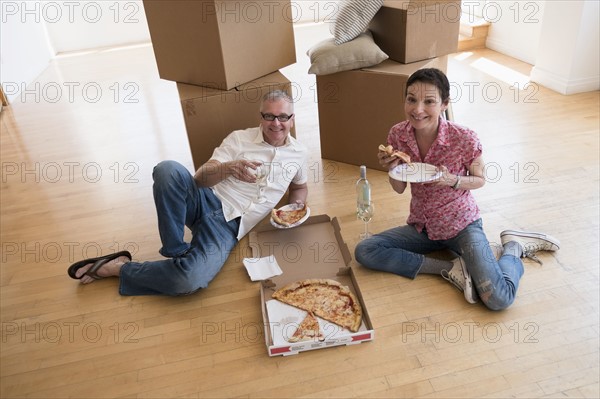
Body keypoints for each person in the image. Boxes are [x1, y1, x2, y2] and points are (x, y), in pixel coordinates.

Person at [354, 68, 559, 310]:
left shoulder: (464, 138)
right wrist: (392, 168)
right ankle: (452, 268)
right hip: (423, 227)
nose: (417, 110)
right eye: (411, 99)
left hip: (462, 226)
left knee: (498, 299)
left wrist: (452, 180)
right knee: (366, 250)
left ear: (444, 104)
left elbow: (479, 179)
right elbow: (399, 188)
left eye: (429, 101)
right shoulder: (398, 134)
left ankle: (513, 246)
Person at [68, 90, 308, 296]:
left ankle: (118, 268)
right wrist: (228, 168)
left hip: (229, 229)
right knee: (167, 169)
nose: (276, 123)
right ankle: (176, 251)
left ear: (292, 119)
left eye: (282, 117)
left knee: (188, 281)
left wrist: (295, 209)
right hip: (205, 200)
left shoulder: (299, 153)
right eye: (269, 116)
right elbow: (200, 179)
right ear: (261, 117)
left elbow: (299, 187)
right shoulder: (239, 139)